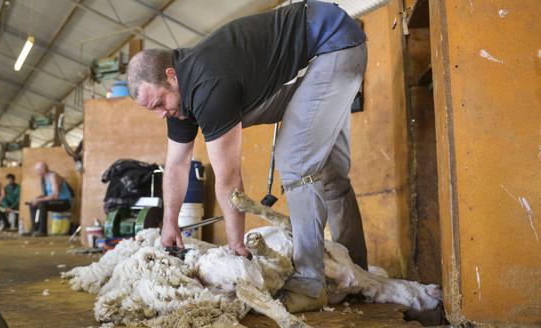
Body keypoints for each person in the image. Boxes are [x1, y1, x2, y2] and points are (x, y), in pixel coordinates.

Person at [126, 1, 368, 312]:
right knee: (330, 175)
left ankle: (310, 283)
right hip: (312, 59)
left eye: (160, 103)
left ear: (171, 76)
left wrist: (235, 245)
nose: (161, 114)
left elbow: (229, 179)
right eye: (153, 110)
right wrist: (169, 224)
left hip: (332, 44)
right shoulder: (178, 101)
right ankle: (355, 270)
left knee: (295, 161)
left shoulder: (207, 83)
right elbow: (175, 166)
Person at [26, 162, 73, 236]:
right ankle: (34, 229)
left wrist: (39, 200)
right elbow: (47, 195)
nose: (37, 173)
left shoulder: (53, 176)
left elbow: (55, 195)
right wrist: (36, 199)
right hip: (55, 201)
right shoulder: (44, 178)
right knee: (33, 205)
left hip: (64, 202)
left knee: (42, 204)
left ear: (43, 170)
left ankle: (42, 231)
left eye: (38, 170)